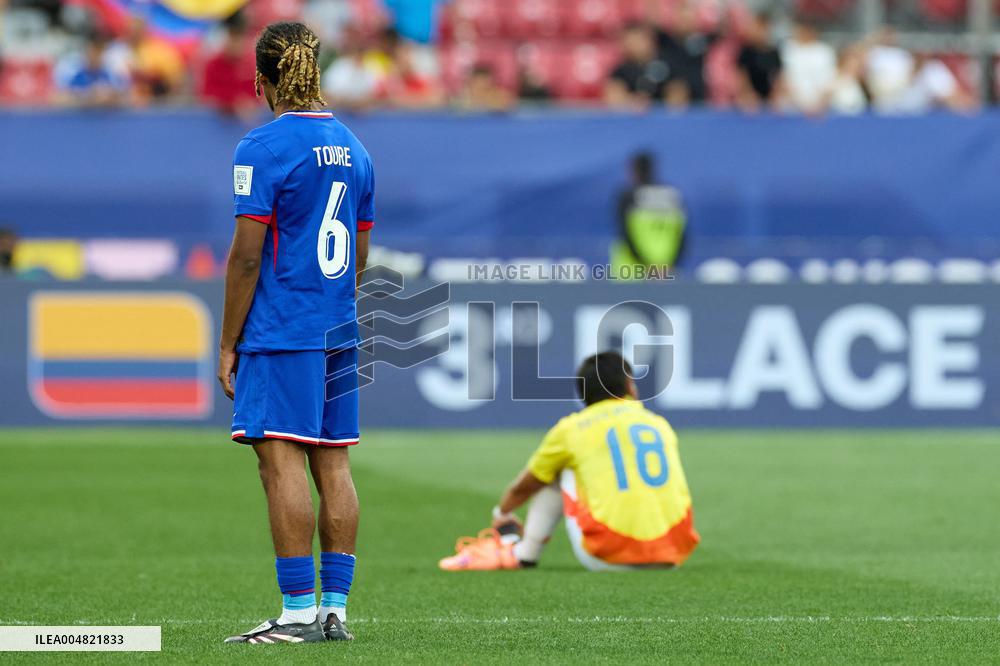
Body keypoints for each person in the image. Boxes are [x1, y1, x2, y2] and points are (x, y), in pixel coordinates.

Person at [217, 21, 374, 645]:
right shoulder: (356, 149)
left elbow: (247, 256)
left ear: (262, 78)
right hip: (338, 324)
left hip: (282, 328)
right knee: (333, 464)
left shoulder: (263, 146)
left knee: (279, 463)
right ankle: (335, 611)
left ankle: (296, 614)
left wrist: (229, 341)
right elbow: (360, 254)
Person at [440, 352, 700, 572]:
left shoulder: (573, 429)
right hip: (673, 554)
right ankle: (659, 545)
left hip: (609, 557)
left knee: (557, 468)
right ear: (629, 385)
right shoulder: (659, 424)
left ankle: (522, 553)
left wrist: (503, 514)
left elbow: (525, 486)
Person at [611, 152, 687, 276]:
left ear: (633, 170)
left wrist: (647, 266)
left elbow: (624, 234)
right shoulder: (672, 196)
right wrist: (671, 264)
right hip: (665, 271)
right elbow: (682, 236)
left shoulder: (627, 197)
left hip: (631, 272)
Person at [199, 14, 258, 118]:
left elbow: (260, 95)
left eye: (238, 39)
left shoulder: (252, 63)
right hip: (219, 122)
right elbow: (207, 97)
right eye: (232, 38)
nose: (235, 44)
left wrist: (248, 103)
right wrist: (231, 104)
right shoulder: (213, 64)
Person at [605, 22, 671, 109]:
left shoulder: (666, 66)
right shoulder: (620, 71)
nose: (633, 45)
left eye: (638, 39)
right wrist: (632, 102)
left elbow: (678, 98)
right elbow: (613, 99)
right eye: (629, 40)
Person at [53, 31, 129, 107]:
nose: (94, 57)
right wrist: (89, 97)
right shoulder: (78, 77)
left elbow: (123, 96)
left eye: (98, 53)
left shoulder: (109, 75)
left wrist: (111, 96)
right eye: (92, 52)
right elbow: (61, 98)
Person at [779, 19, 837, 114]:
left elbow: (830, 81)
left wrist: (819, 104)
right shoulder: (787, 49)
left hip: (820, 109)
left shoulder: (825, 52)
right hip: (792, 107)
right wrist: (802, 105)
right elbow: (783, 79)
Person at [735, 11, 782, 112]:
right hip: (749, 95)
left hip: (769, 96)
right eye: (756, 27)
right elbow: (741, 75)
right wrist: (748, 93)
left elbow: (778, 76)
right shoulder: (746, 51)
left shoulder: (774, 52)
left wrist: (775, 95)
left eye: (763, 29)